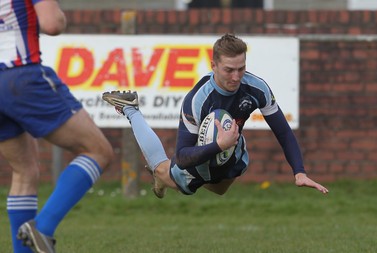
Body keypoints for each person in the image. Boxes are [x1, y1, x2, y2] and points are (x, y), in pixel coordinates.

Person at [102, 33, 328, 199]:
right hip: (203, 154)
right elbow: (182, 156)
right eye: (229, 70)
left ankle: (181, 172)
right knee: (166, 170)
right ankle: (131, 109)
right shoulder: (197, 100)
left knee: (220, 189)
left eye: (241, 68)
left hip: (232, 148)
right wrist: (219, 145)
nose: (237, 76)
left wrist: (299, 172)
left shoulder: (257, 88)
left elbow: (283, 131)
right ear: (214, 66)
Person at [0, 1, 114, 252]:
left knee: (24, 171)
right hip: (20, 75)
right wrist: (59, 15)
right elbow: (51, 23)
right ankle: (42, 227)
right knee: (98, 151)